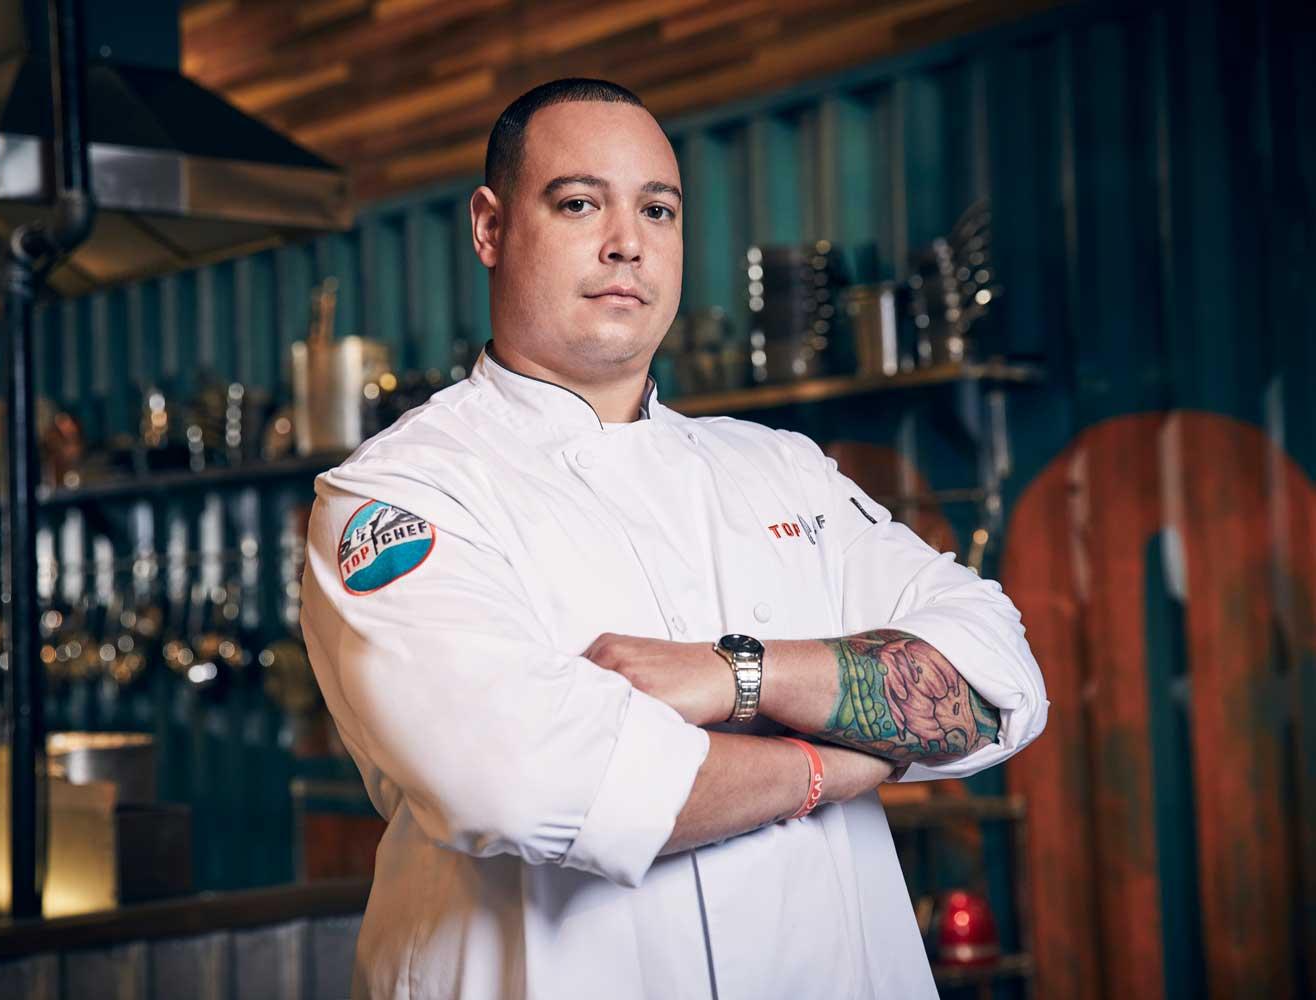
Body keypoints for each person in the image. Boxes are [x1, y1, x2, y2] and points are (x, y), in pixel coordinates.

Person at [299, 78, 1048, 1000]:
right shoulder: (401, 492)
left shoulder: (782, 469)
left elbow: (995, 678)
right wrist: (830, 764)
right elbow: (527, 781)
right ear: (490, 229)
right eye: (579, 203)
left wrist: (744, 673)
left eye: (658, 208)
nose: (628, 242)